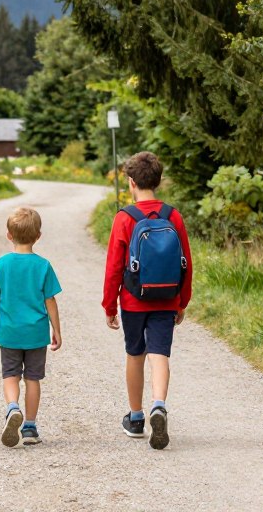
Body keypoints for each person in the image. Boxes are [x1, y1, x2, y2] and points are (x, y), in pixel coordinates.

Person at [103, 151, 192, 449]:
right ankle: (159, 405)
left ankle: (137, 417)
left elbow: (114, 266)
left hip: (133, 300)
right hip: (167, 298)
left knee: (134, 354)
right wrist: (182, 301)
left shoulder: (125, 218)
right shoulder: (173, 215)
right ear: (159, 180)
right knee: (160, 354)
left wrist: (109, 305)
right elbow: (186, 263)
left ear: (131, 182)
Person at [0, 206, 62, 447]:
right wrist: (56, 329)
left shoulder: (1, 264)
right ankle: (29, 427)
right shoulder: (43, 265)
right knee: (33, 379)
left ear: (9, 235)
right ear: (38, 236)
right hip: (36, 334)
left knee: (10, 375)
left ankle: (12, 407)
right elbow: (50, 300)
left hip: (9, 331)